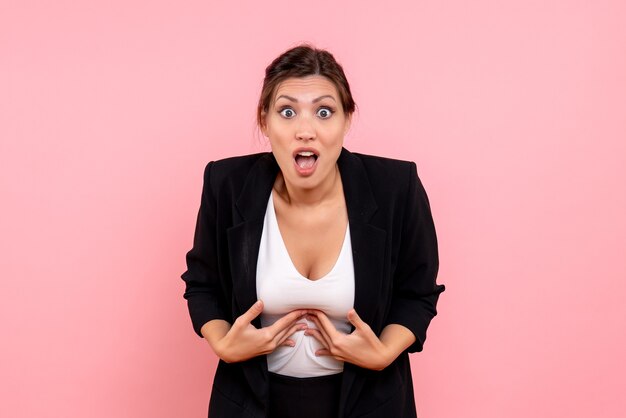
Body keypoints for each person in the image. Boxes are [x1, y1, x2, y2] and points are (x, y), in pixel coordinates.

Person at [181, 44, 445, 418]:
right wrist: (223, 343)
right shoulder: (226, 184)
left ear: (347, 120)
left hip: (369, 403)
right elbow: (202, 283)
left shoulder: (396, 188)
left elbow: (418, 292)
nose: (305, 130)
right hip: (252, 404)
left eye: (324, 112)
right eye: (287, 112)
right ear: (264, 121)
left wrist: (385, 350)